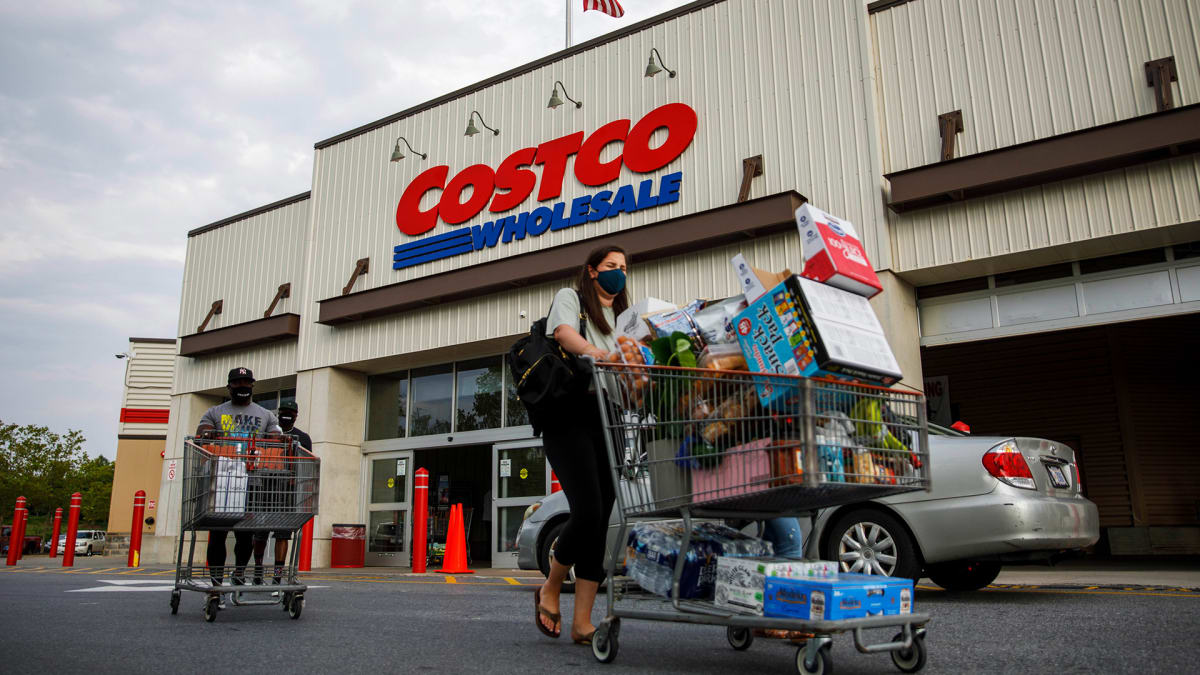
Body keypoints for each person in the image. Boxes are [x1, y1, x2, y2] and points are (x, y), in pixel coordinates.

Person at [534, 245, 629, 645]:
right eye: (611, 266)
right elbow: (563, 333)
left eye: (623, 268)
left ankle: (583, 622)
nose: (619, 273)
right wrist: (595, 351)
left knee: (601, 519)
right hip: (571, 414)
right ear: (592, 271)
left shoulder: (624, 319)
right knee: (587, 511)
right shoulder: (571, 299)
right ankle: (552, 585)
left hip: (611, 419)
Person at [196, 367, 281, 606]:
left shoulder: (266, 414)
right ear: (229, 386)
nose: (242, 386)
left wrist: (276, 438)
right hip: (222, 481)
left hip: (252, 482)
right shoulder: (215, 412)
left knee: (245, 535)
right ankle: (216, 584)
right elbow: (202, 432)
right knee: (218, 533)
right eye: (238, 382)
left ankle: (239, 573)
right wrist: (207, 433)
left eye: (247, 382)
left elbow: (276, 436)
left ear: (252, 386)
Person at [250, 398, 311, 587]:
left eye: (290, 413)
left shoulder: (303, 437)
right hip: (266, 489)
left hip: (288, 494)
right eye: (283, 412)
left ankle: (277, 575)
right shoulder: (268, 434)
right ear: (278, 414)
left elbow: (308, 464)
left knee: (282, 535)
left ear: (296, 416)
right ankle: (258, 571)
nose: (286, 415)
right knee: (260, 533)